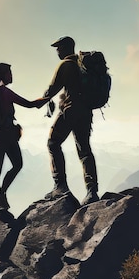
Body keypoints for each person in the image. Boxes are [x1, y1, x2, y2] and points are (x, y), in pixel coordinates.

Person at [43, 36, 99, 204]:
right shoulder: (82, 65)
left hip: (70, 110)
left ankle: (60, 186)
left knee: (53, 143)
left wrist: (43, 100)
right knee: (84, 149)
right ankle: (92, 191)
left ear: (66, 48)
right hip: (86, 112)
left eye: (58, 48)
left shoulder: (66, 64)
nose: (57, 51)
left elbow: (52, 89)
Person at [0, 62, 47, 213]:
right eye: (9, 73)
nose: (11, 75)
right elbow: (29, 104)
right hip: (7, 134)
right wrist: (47, 98)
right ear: (3, 75)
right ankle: (1, 194)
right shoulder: (5, 92)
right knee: (17, 164)